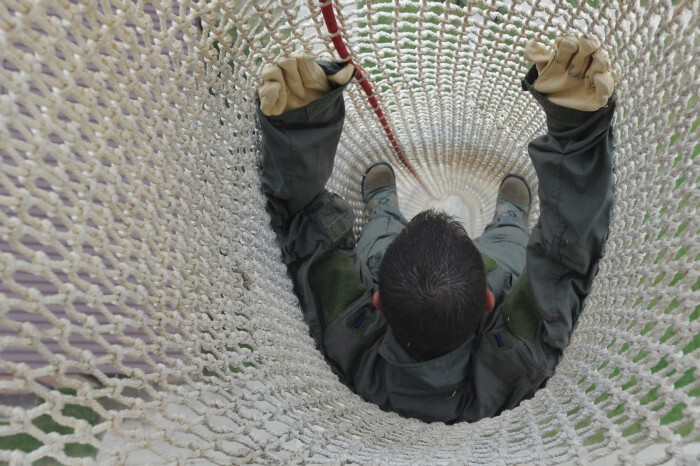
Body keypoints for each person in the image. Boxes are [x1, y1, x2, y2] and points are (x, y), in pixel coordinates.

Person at [256, 36, 616, 423]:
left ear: (377, 301)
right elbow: (563, 261)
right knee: (510, 248)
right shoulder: (517, 362)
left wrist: (300, 122)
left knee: (380, 242)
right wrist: (577, 129)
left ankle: (384, 212)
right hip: (495, 273)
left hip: (391, 282)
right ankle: (510, 219)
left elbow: (306, 229)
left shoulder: (352, 345)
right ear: (487, 303)